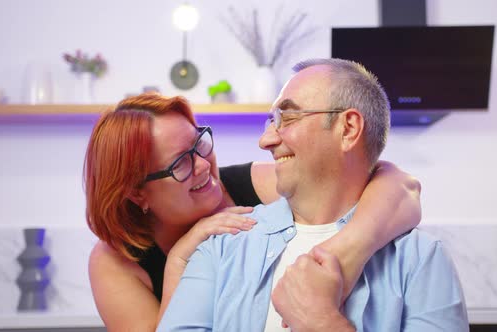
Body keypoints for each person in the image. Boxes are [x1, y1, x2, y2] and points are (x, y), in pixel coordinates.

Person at [157, 58, 468, 332]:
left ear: (348, 129)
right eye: (270, 121)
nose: (265, 140)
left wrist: (323, 324)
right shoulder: (221, 248)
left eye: (287, 117)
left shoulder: (420, 260)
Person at [84, 92, 422, 331]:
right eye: (180, 163)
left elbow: (401, 188)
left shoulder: (256, 183)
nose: (203, 165)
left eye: (198, 143)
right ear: (135, 193)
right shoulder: (114, 262)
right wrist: (178, 263)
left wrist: (344, 254)